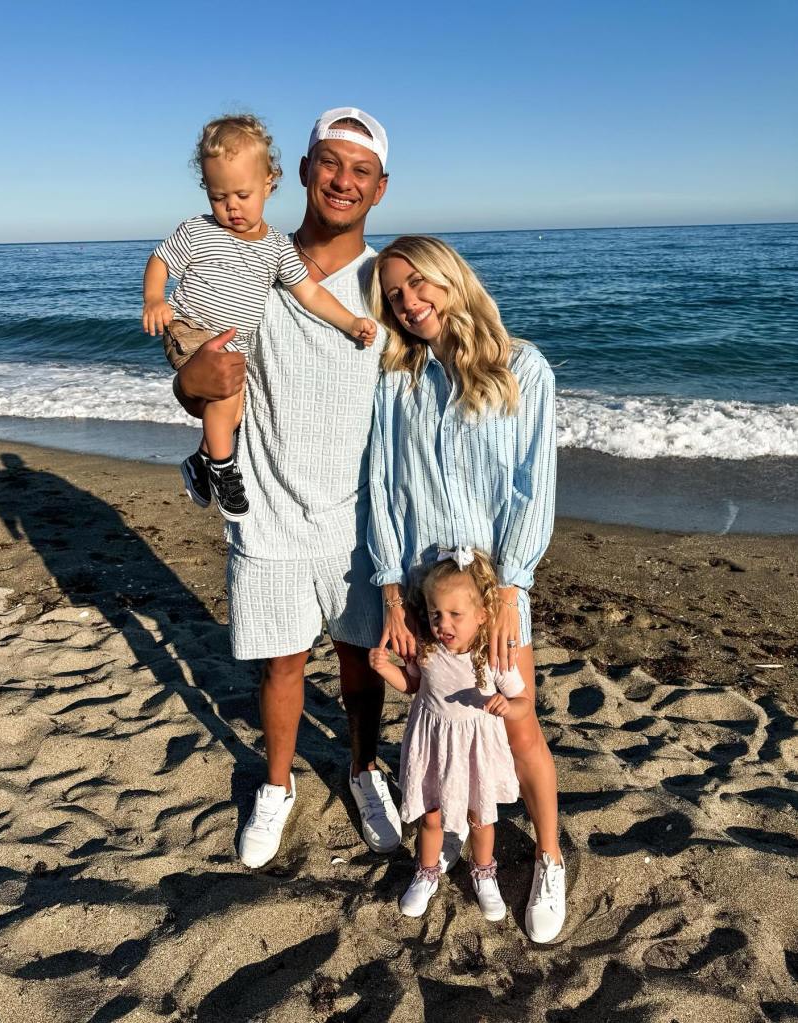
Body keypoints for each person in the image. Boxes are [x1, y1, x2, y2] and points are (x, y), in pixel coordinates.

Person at [172, 108, 401, 867]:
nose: (342, 180)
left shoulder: (389, 285)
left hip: (359, 516)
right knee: (279, 665)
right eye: (329, 164)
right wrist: (187, 381)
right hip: (267, 507)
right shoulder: (248, 261)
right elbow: (202, 372)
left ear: (380, 187)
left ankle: (362, 768)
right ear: (299, 172)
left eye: (359, 170)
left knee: (362, 661)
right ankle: (276, 784)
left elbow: (438, 383)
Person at [368, 235, 566, 942]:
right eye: (393, 294)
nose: (409, 301)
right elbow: (385, 491)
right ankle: (444, 834)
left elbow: (530, 490)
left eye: (419, 283)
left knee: (516, 724)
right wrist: (393, 595)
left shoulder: (523, 368)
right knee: (436, 714)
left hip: (498, 592)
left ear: (452, 279)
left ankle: (548, 856)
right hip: (428, 594)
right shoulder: (397, 380)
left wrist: (511, 591)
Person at [143, 114, 376, 522]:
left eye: (242, 195)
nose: (230, 207)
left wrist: (350, 322)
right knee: (228, 393)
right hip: (193, 328)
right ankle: (222, 469)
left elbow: (310, 292)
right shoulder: (199, 231)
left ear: (270, 182)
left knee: (235, 408)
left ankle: (201, 462)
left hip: (234, 344)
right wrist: (153, 300)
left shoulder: (276, 250)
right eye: (218, 197)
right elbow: (161, 260)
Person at [369, 548, 530, 921]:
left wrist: (509, 707)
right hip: (433, 744)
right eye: (435, 613)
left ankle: (484, 872)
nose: (444, 623)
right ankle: (427, 873)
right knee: (431, 814)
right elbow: (411, 686)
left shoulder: (490, 657)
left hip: (475, 749)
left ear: (482, 615)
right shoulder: (426, 649)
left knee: (480, 815)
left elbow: (521, 698)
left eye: (456, 615)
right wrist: (386, 670)